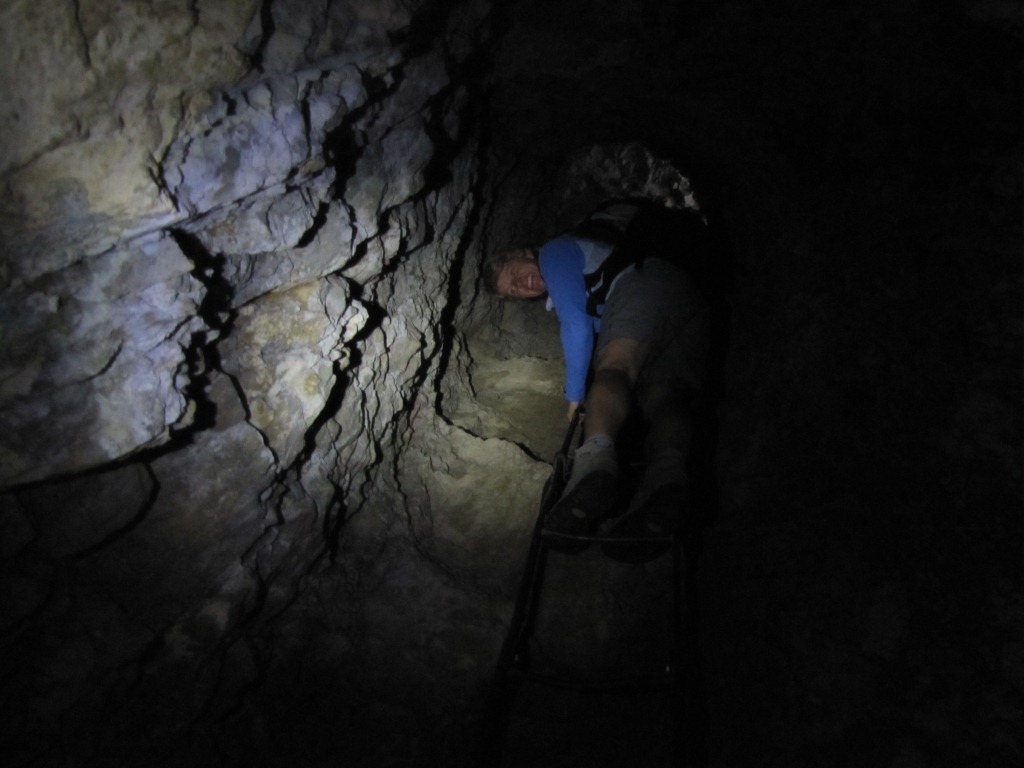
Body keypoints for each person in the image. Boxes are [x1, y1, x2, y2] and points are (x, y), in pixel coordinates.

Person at [483, 199, 711, 561]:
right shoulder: (579, 273)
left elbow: (577, 328)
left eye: (514, 272)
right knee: (665, 398)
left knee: (615, 369)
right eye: (513, 291)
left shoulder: (555, 252)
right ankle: (668, 478)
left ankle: (594, 465)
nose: (521, 284)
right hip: (689, 298)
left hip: (644, 282)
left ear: (526, 253)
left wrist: (575, 397)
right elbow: (588, 325)